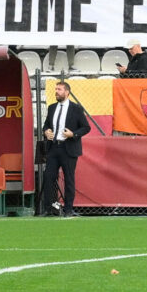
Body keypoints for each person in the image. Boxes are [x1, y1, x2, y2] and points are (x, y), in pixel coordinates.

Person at [38, 80, 91, 217]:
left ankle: (68, 209)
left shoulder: (76, 108)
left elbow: (86, 127)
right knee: (48, 177)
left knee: (69, 179)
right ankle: (49, 208)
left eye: (59, 89)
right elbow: (46, 125)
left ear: (67, 92)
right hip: (53, 147)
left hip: (69, 148)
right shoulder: (52, 108)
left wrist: (73, 134)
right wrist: (46, 131)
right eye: (56, 89)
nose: (56, 92)